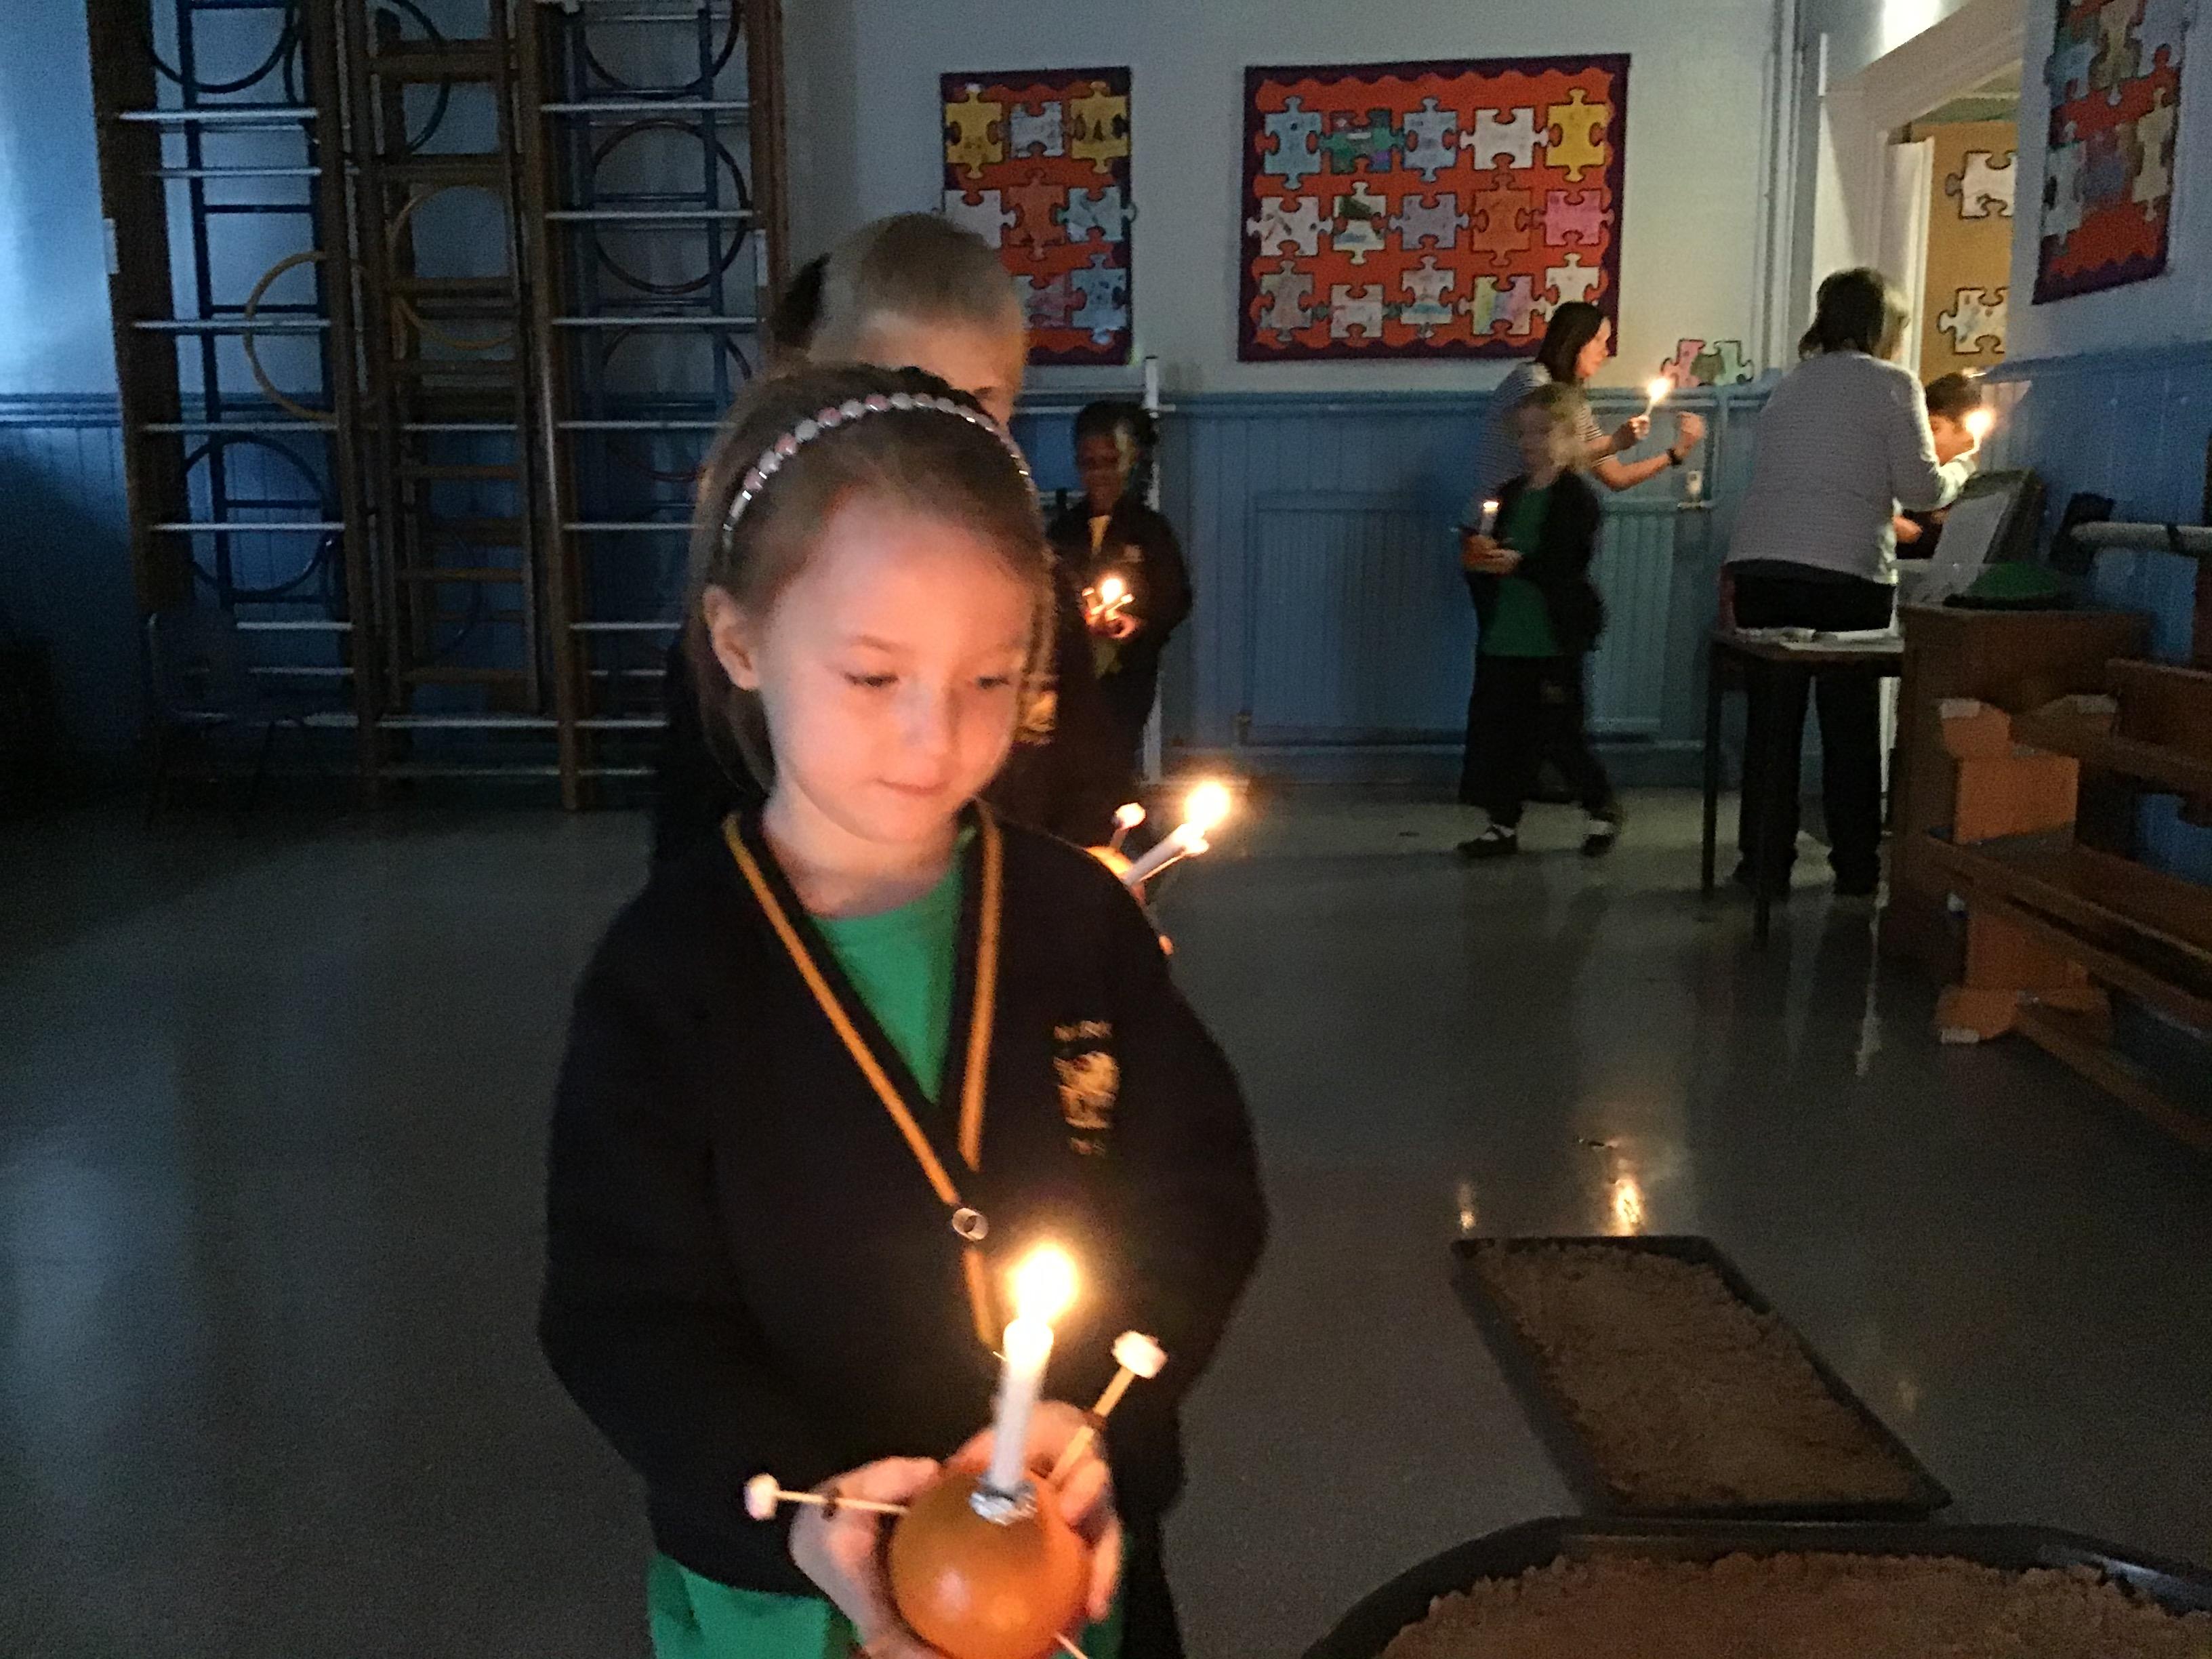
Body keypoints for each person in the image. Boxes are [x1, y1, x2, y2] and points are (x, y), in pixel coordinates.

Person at [543, 364, 1267, 1659]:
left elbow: (1198, 1194)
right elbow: (618, 1309)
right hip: (787, 1596)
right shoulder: (671, 972)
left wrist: (1100, 1411)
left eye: (988, 680)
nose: (935, 738)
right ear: (740, 642)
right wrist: (789, 1495)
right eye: (874, 677)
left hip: (1052, 1563)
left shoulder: (1076, 919)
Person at [652, 215, 1130, 865]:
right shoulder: (762, 605)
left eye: (990, 678)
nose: (945, 427)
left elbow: (1093, 788)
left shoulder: (1037, 594)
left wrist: (1100, 882)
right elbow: (692, 851)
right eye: (873, 678)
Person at [1723, 268, 1978, 897]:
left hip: (1761, 565)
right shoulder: (1892, 383)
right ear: (1883, 326)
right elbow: (1921, 489)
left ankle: (1763, 864)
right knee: (1850, 726)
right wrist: (1965, 467)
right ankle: (1857, 868)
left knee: (1771, 727)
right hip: (1845, 573)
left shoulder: (1790, 385)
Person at [1455, 382, 1618, 861]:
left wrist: (1518, 563)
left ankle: (1600, 808)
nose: (1530, 443)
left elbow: (1567, 565)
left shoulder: (1576, 499)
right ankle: (1502, 824)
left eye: (1543, 432)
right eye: (1524, 433)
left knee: (1560, 733)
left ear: (1569, 437)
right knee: (1504, 734)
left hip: (1551, 638)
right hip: (1506, 634)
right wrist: (1479, 558)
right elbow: (1488, 549)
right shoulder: (1510, 494)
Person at [1048, 402, 1191, 770]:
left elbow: (1175, 598)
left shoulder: (1149, 530)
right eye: (1089, 463)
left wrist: (1138, 624)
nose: (1099, 474)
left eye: (1109, 462)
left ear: (1127, 463)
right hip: (1071, 672)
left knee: (1114, 760)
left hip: (1127, 674)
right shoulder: (1064, 529)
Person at [1461, 301, 1706, 509]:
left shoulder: (1576, 404)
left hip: (1538, 514)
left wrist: (1676, 453)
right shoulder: (1531, 382)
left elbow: (1616, 477)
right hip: (1499, 517)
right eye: (1599, 340)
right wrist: (1614, 442)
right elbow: (1549, 455)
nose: (1605, 352)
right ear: (1575, 341)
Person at [1893, 371, 1984, 560]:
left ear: (1969, 433)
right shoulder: (1913, 482)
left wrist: (1914, 535)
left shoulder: (1985, 491)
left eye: (1934, 428)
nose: (1921, 439)